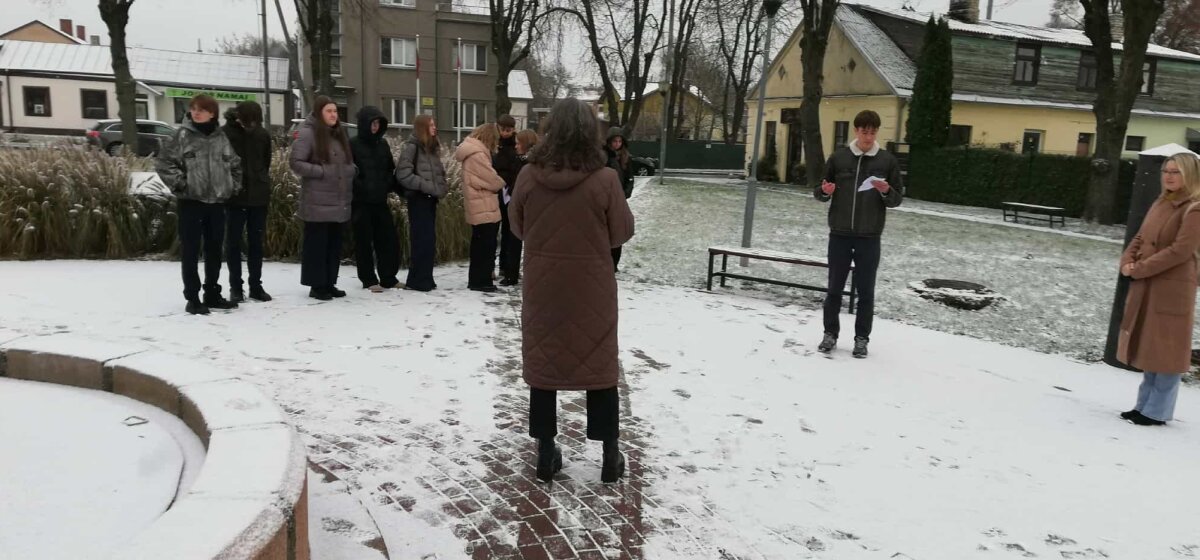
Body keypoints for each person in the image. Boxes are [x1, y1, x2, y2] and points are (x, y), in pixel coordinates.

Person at [510, 99, 635, 483]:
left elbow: (517, 226)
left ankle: (546, 451)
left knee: (544, 364)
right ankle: (609, 455)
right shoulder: (606, 179)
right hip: (592, 287)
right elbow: (621, 231)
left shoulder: (528, 176)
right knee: (599, 365)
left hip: (543, 285)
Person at [1117, 153, 1200, 426]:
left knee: (1168, 349)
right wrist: (1127, 260)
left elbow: (1180, 251)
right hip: (1150, 283)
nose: (1169, 176)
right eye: (1166, 171)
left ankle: (1157, 411)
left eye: (1176, 171)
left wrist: (1140, 268)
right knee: (1151, 345)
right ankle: (1144, 406)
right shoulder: (1161, 202)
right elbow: (1141, 236)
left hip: (1172, 288)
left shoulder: (1195, 208)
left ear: (1190, 174)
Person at [813, 109, 903, 359]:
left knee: (866, 292)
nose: (868, 136)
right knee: (834, 289)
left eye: (873, 132)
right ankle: (830, 334)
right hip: (840, 234)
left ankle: (862, 339)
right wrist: (825, 191)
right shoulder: (839, 158)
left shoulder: (887, 161)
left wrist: (886, 191)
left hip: (869, 236)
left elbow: (897, 199)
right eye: (864, 131)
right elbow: (819, 191)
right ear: (856, 130)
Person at [156, 94, 242, 315]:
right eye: (193, 109)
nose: (196, 112)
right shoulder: (182, 136)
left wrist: (231, 186)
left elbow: (235, 164)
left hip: (217, 203)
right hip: (191, 203)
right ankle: (192, 298)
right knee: (191, 251)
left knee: (214, 251)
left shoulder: (221, 138)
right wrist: (183, 185)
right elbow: (164, 163)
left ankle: (212, 293)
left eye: (201, 109)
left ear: (212, 113)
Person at [289, 96, 356, 301]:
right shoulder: (308, 133)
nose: (334, 115)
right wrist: (322, 171)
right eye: (329, 111)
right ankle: (317, 285)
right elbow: (296, 162)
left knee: (333, 245)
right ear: (319, 113)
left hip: (338, 200)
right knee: (317, 245)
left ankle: (329, 282)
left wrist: (351, 170)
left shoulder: (338, 134)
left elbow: (346, 162)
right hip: (317, 201)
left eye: (335, 111)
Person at [222, 101, 273, 303]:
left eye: (255, 121)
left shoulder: (262, 134)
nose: (251, 125)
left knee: (256, 243)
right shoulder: (225, 133)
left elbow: (266, 161)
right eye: (248, 121)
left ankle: (256, 286)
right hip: (234, 196)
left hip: (258, 196)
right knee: (233, 243)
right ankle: (236, 287)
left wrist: (261, 180)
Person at [349, 106, 402, 292]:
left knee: (387, 239)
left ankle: (388, 277)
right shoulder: (352, 144)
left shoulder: (383, 144)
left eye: (378, 123)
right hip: (361, 202)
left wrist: (387, 184)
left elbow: (390, 168)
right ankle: (368, 279)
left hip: (380, 200)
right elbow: (349, 172)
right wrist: (361, 187)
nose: (375, 126)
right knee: (363, 241)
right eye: (372, 123)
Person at [395, 114, 449, 292]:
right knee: (421, 240)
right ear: (423, 128)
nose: (434, 128)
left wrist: (441, 187)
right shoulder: (412, 147)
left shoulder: (431, 148)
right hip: (418, 199)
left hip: (431, 199)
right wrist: (425, 185)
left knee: (428, 240)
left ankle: (425, 277)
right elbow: (403, 174)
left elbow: (438, 172)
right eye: (431, 125)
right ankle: (417, 280)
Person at [455, 123, 506, 292]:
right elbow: (491, 180)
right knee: (485, 244)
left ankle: (477, 279)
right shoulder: (478, 155)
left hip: (477, 203)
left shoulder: (471, 151)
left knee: (479, 243)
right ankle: (481, 281)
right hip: (484, 205)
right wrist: (502, 182)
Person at [493, 115, 522, 286]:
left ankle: (506, 266)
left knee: (509, 231)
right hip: (496, 190)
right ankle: (499, 265)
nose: (505, 133)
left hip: (508, 191)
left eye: (508, 130)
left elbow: (516, 170)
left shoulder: (515, 146)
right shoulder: (494, 144)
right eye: (503, 129)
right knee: (496, 230)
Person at [603, 126, 635, 271]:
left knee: (618, 231)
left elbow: (630, 177)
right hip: (606, 199)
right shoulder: (604, 156)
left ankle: (614, 264)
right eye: (614, 141)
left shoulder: (625, 157)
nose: (617, 144)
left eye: (619, 141)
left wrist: (626, 193)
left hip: (620, 200)